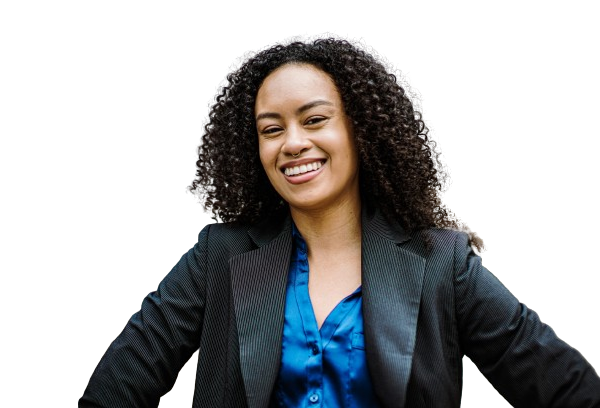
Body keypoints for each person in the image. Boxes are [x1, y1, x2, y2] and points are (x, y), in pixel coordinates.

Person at [78, 33, 600, 407]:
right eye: (270, 128)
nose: (293, 143)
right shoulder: (222, 254)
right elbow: (120, 381)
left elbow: (565, 385)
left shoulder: (442, 261)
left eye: (314, 120)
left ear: (360, 129)